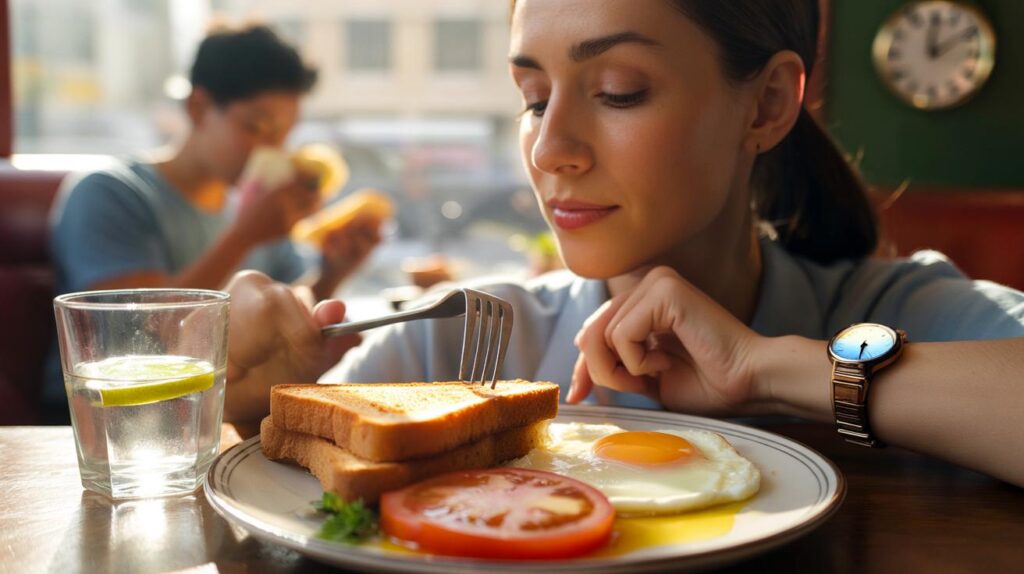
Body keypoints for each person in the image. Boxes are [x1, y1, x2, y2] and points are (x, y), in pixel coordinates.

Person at [220, 0, 1024, 487]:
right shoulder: (455, 342)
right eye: (535, 98)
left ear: (767, 105)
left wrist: (765, 368)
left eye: (618, 91)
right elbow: (289, 490)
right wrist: (253, 411)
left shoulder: (892, 313)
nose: (549, 149)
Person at [45, 24, 379, 418]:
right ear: (199, 108)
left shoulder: (257, 211)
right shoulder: (110, 193)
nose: (273, 150)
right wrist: (242, 236)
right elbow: (139, 332)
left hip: (213, 417)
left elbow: (284, 326)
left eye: (284, 135)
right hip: (109, 421)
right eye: (256, 127)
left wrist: (330, 273)